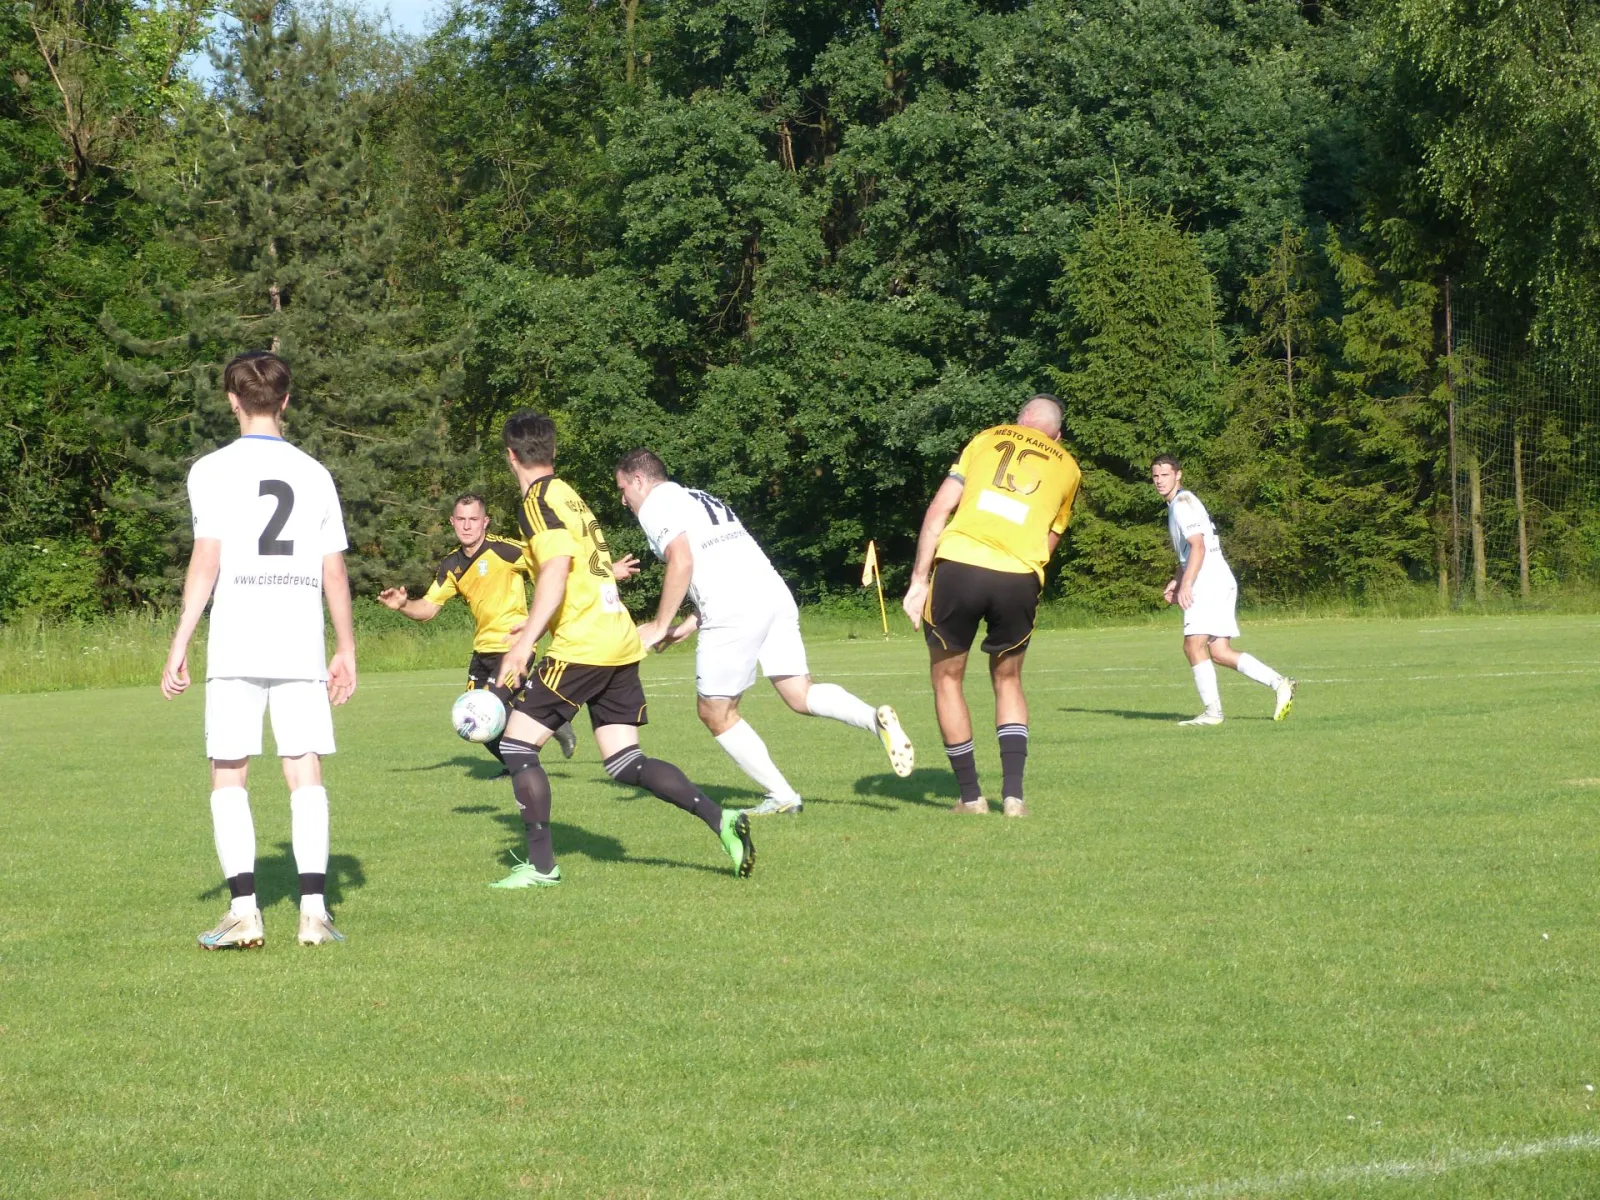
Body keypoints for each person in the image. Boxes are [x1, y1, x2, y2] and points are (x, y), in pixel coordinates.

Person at [489, 412, 754, 886]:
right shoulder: (569, 495)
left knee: (516, 745)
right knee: (625, 761)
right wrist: (535, 622)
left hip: (584, 645)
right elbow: (585, 573)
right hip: (619, 638)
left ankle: (542, 867)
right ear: (552, 451)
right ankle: (722, 818)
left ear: (511, 456)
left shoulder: (537, 500)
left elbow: (557, 569)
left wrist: (525, 643)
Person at [160, 351, 355, 949]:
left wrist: (180, 641)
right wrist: (346, 646)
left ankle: (244, 911)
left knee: (230, 770)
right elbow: (334, 571)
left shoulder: (210, 469)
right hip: (298, 639)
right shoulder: (315, 473)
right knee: (305, 768)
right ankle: (314, 913)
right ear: (286, 401)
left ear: (233, 401)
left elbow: (206, 561)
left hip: (237, 639)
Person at [613, 449, 915, 815]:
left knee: (715, 712)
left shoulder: (655, 504)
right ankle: (874, 719)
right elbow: (724, 565)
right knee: (800, 693)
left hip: (734, 608)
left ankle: (783, 796)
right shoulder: (699, 497)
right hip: (773, 595)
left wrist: (660, 624)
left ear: (639, 480)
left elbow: (683, 559)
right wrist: (688, 625)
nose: (623, 499)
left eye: (623, 488)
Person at [901, 395, 1081, 817]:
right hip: (1018, 577)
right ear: (1056, 434)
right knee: (1009, 680)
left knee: (948, 680)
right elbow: (1051, 536)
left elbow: (939, 509)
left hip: (960, 567)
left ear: (1020, 420)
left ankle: (971, 797)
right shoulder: (1069, 467)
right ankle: (1013, 797)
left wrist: (918, 580)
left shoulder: (986, 438)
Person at [377, 493, 577, 764]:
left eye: (473, 519)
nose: (467, 525)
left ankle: (552, 720)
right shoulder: (451, 565)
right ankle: (515, 767)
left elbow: (554, 561)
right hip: (482, 651)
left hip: (514, 646)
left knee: (485, 710)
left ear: (485, 522)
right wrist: (403, 605)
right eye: (461, 519)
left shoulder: (504, 550)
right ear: (452, 522)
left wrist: (607, 570)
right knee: (470, 720)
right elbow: (428, 609)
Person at [1150, 455, 1295, 725]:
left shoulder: (1181, 505)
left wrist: (1187, 584)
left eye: (1165, 475)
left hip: (1208, 583)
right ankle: (1280, 684)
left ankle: (1212, 713)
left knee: (1193, 645)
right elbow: (1190, 552)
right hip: (1220, 580)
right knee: (1219, 652)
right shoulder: (1182, 503)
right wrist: (1177, 579)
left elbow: (1198, 546)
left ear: (1178, 475)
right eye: (1156, 476)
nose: (1159, 481)